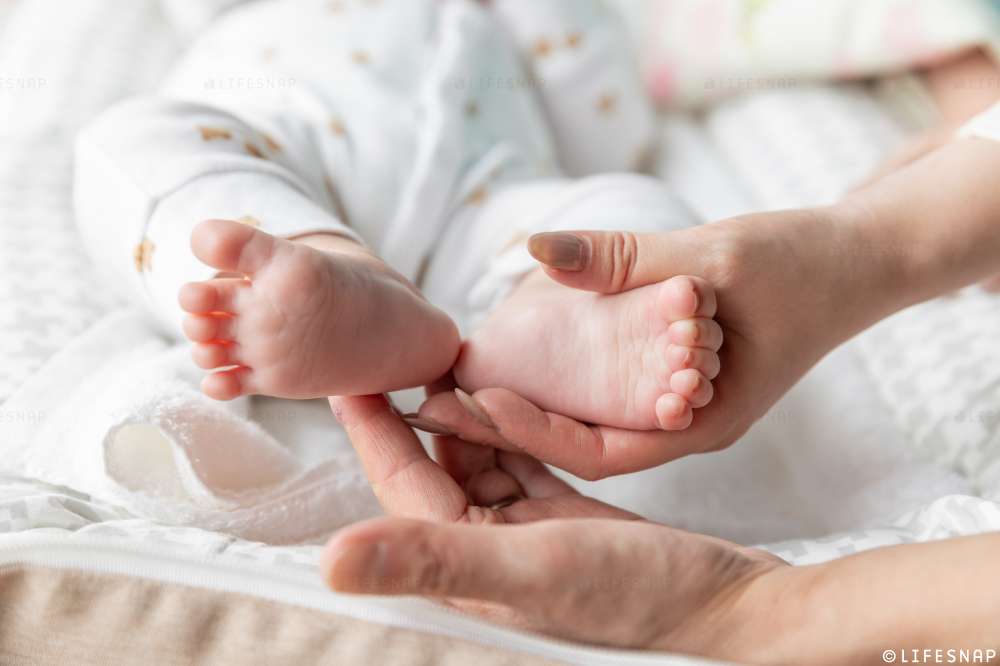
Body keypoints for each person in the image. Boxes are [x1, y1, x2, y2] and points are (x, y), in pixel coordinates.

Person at [321, 102, 1000, 662]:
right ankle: (481, 306)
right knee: (616, 207)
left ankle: (464, 302)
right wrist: (879, 240)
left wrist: (741, 607)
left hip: (482, 176)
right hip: (491, 180)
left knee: (613, 207)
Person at [75, 0, 719, 435]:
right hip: (280, 156)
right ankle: (323, 274)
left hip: (485, 207)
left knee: (631, 209)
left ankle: (537, 330)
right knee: (131, 142)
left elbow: (610, 124)